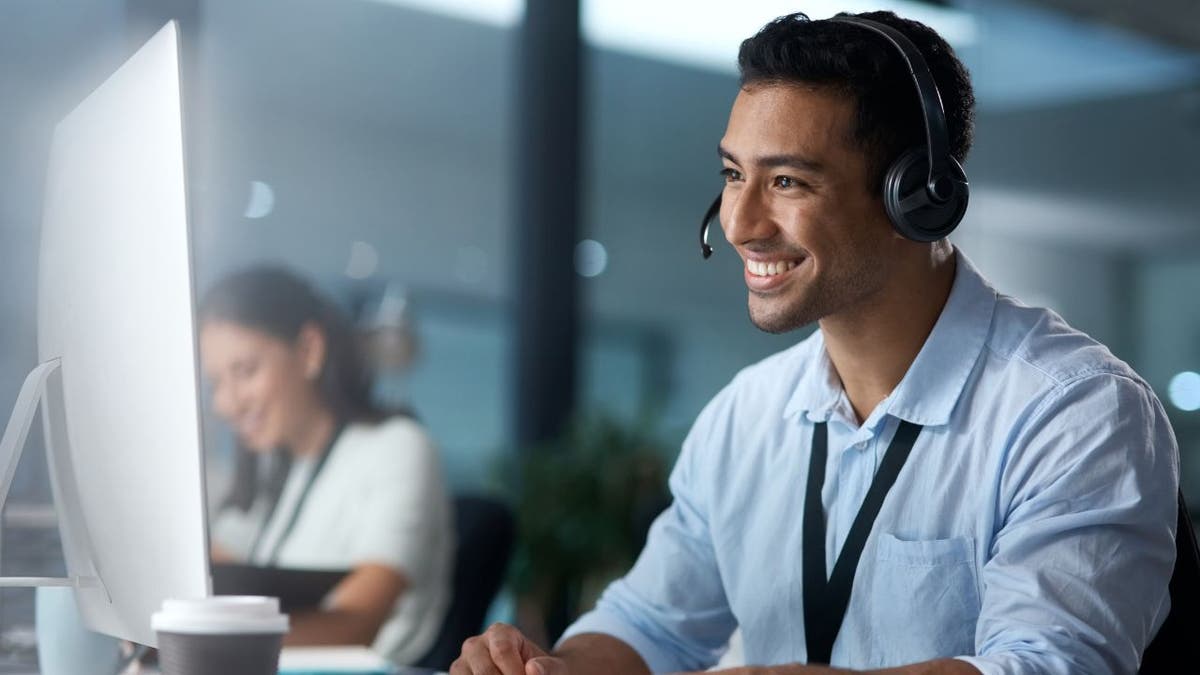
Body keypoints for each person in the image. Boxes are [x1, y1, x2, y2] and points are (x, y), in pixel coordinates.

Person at [452, 10, 1180, 675]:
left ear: (917, 198)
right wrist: (553, 668)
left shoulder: (1076, 412)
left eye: (788, 182)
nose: (739, 222)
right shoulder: (746, 416)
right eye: (734, 174)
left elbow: (1046, 666)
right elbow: (650, 625)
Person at [200, 265, 454, 665]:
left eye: (245, 372)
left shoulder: (398, 448)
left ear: (309, 351)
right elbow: (212, 578)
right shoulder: (275, 463)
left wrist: (208, 650)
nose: (225, 404)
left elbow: (357, 625)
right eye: (216, 382)